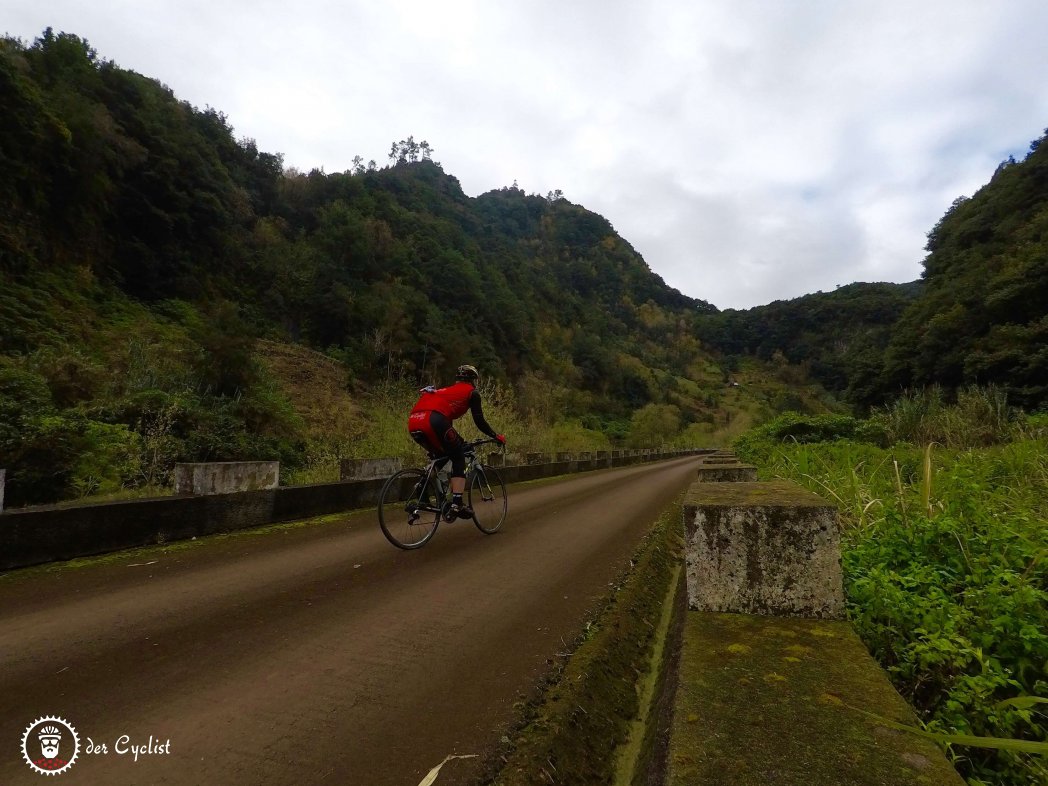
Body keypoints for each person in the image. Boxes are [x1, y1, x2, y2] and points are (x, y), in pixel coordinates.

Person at [408, 364, 505, 518]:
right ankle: (457, 504)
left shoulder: (445, 392)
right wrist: (495, 435)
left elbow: (446, 424)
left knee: (441, 455)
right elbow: (479, 421)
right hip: (434, 420)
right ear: (473, 380)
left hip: (414, 421)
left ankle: (422, 489)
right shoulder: (472, 393)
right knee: (459, 455)